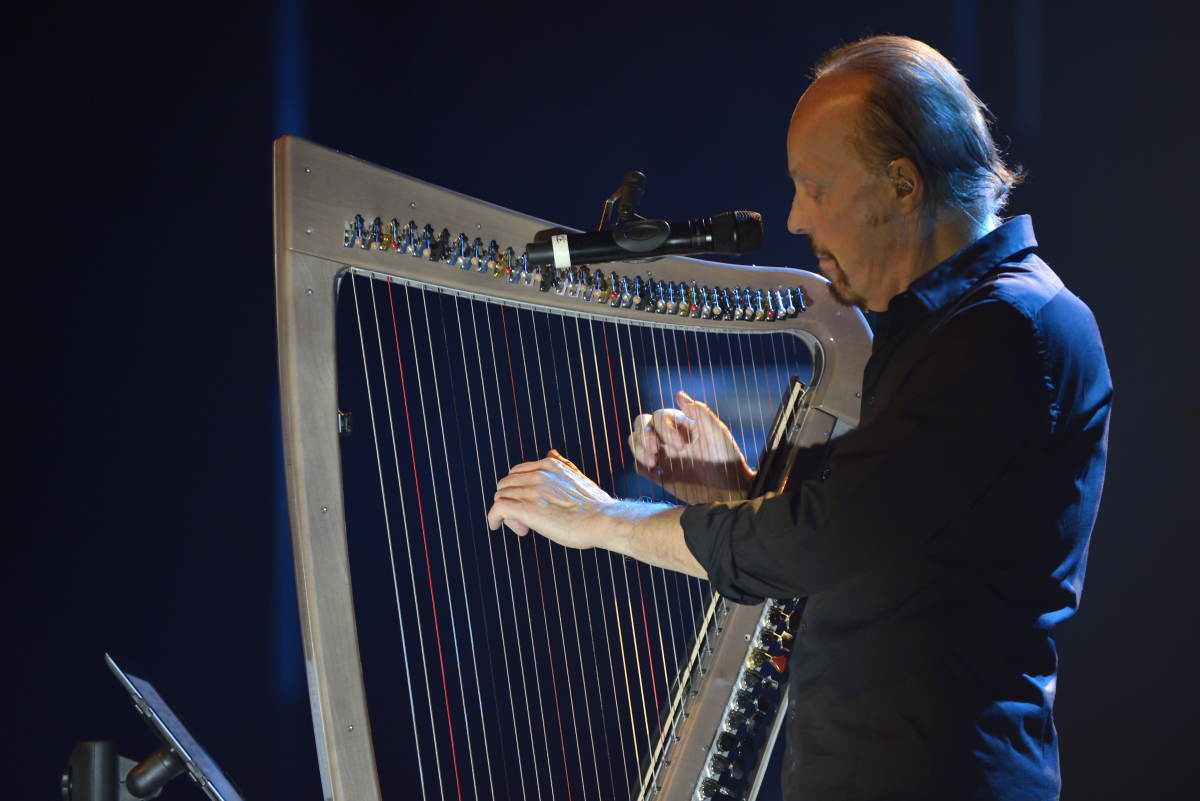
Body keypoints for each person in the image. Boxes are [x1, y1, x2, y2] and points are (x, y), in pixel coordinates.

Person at [487, 35, 1111, 801]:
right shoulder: (947, 331)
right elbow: (883, 553)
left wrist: (601, 517)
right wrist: (736, 492)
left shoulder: (1011, 330)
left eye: (814, 186)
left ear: (904, 185)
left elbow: (829, 537)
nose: (792, 217)